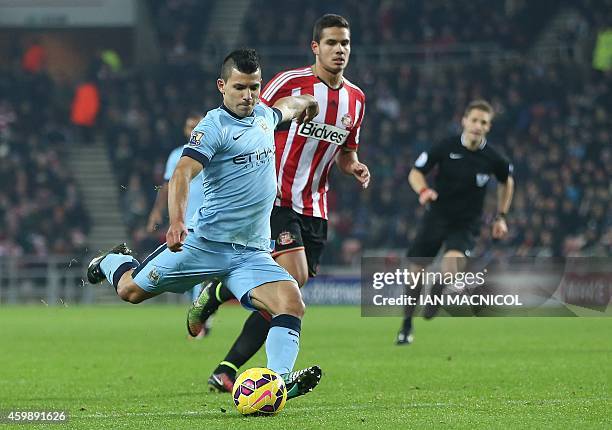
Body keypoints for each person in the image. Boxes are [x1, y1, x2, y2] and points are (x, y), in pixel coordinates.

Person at [86, 48, 322, 399]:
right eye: (240, 87)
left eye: (254, 87)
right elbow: (183, 172)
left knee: (291, 304)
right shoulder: (214, 127)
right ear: (222, 86)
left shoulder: (264, 117)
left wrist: (309, 104)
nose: (248, 96)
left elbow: (290, 106)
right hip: (204, 245)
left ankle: (276, 382)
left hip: (251, 253)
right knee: (130, 291)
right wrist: (177, 220)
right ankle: (111, 261)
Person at [187, 14, 370, 393]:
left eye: (345, 44)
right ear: (315, 47)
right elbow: (250, 117)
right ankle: (246, 349)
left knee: (284, 297)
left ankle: (225, 361)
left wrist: (353, 166)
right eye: (332, 43)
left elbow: (346, 152)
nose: (340, 50)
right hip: (276, 198)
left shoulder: (356, 100)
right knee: (293, 280)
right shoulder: (290, 83)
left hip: (315, 207)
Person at [396, 99, 515, 345]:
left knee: (450, 270)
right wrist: (423, 191)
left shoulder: (493, 158)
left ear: (488, 127)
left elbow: (507, 181)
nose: (477, 126)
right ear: (464, 121)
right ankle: (407, 324)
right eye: (474, 120)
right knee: (416, 272)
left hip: (467, 222)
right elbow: (416, 172)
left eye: (483, 122)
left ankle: (438, 289)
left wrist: (501, 216)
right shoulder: (444, 146)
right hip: (437, 216)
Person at [146, 112, 213, 338]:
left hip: (208, 219)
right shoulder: (177, 155)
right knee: (188, 274)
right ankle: (203, 315)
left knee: (201, 271)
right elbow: (167, 184)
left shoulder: (214, 149)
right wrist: (157, 211)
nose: (193, 130)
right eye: (189, 126)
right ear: (185, 131)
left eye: (197, 126)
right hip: (182, 220)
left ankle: (200, 322)